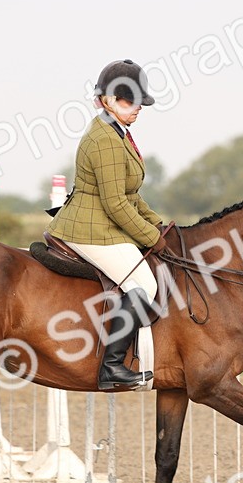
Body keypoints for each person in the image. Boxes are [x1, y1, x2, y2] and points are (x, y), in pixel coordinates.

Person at [48, 59, 169, 390]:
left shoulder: (118, 132)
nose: (138, 107)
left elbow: (131, 194)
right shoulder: (104, 138)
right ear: (105, 101)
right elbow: (115, 203)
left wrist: (158, 225)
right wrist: (150, 237)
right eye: (129, 100)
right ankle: (112, 368)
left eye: (139, 100)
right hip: (88, 229)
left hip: (103, 223)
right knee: (143, 285)